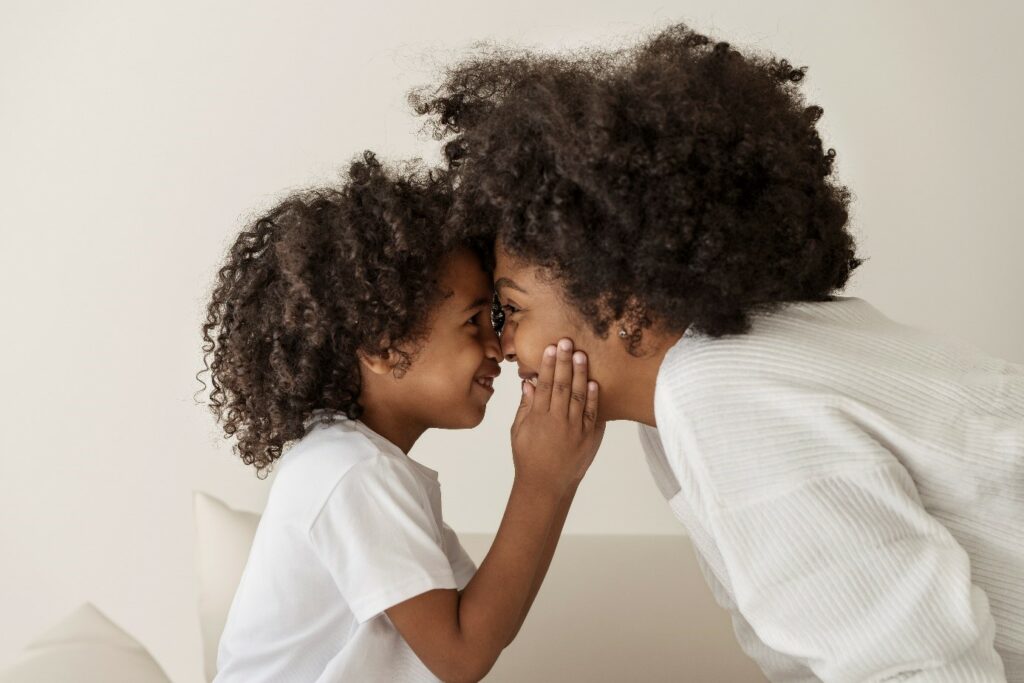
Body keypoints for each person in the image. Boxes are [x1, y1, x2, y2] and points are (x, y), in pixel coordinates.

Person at [415, 23, 1024, 681]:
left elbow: (923, 668)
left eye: (511, 310)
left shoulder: (719, 393)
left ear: (626, 303)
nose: (502, 345)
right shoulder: (705, 387)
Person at [200, 151, 604, 682]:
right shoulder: (354, 471)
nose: (500, 346)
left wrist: (560, 475)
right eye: (474, 321)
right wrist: (541, 480)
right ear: (382, 346)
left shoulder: (356, 462)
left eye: (500, 318)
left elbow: (486, 617)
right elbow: (461, 657)